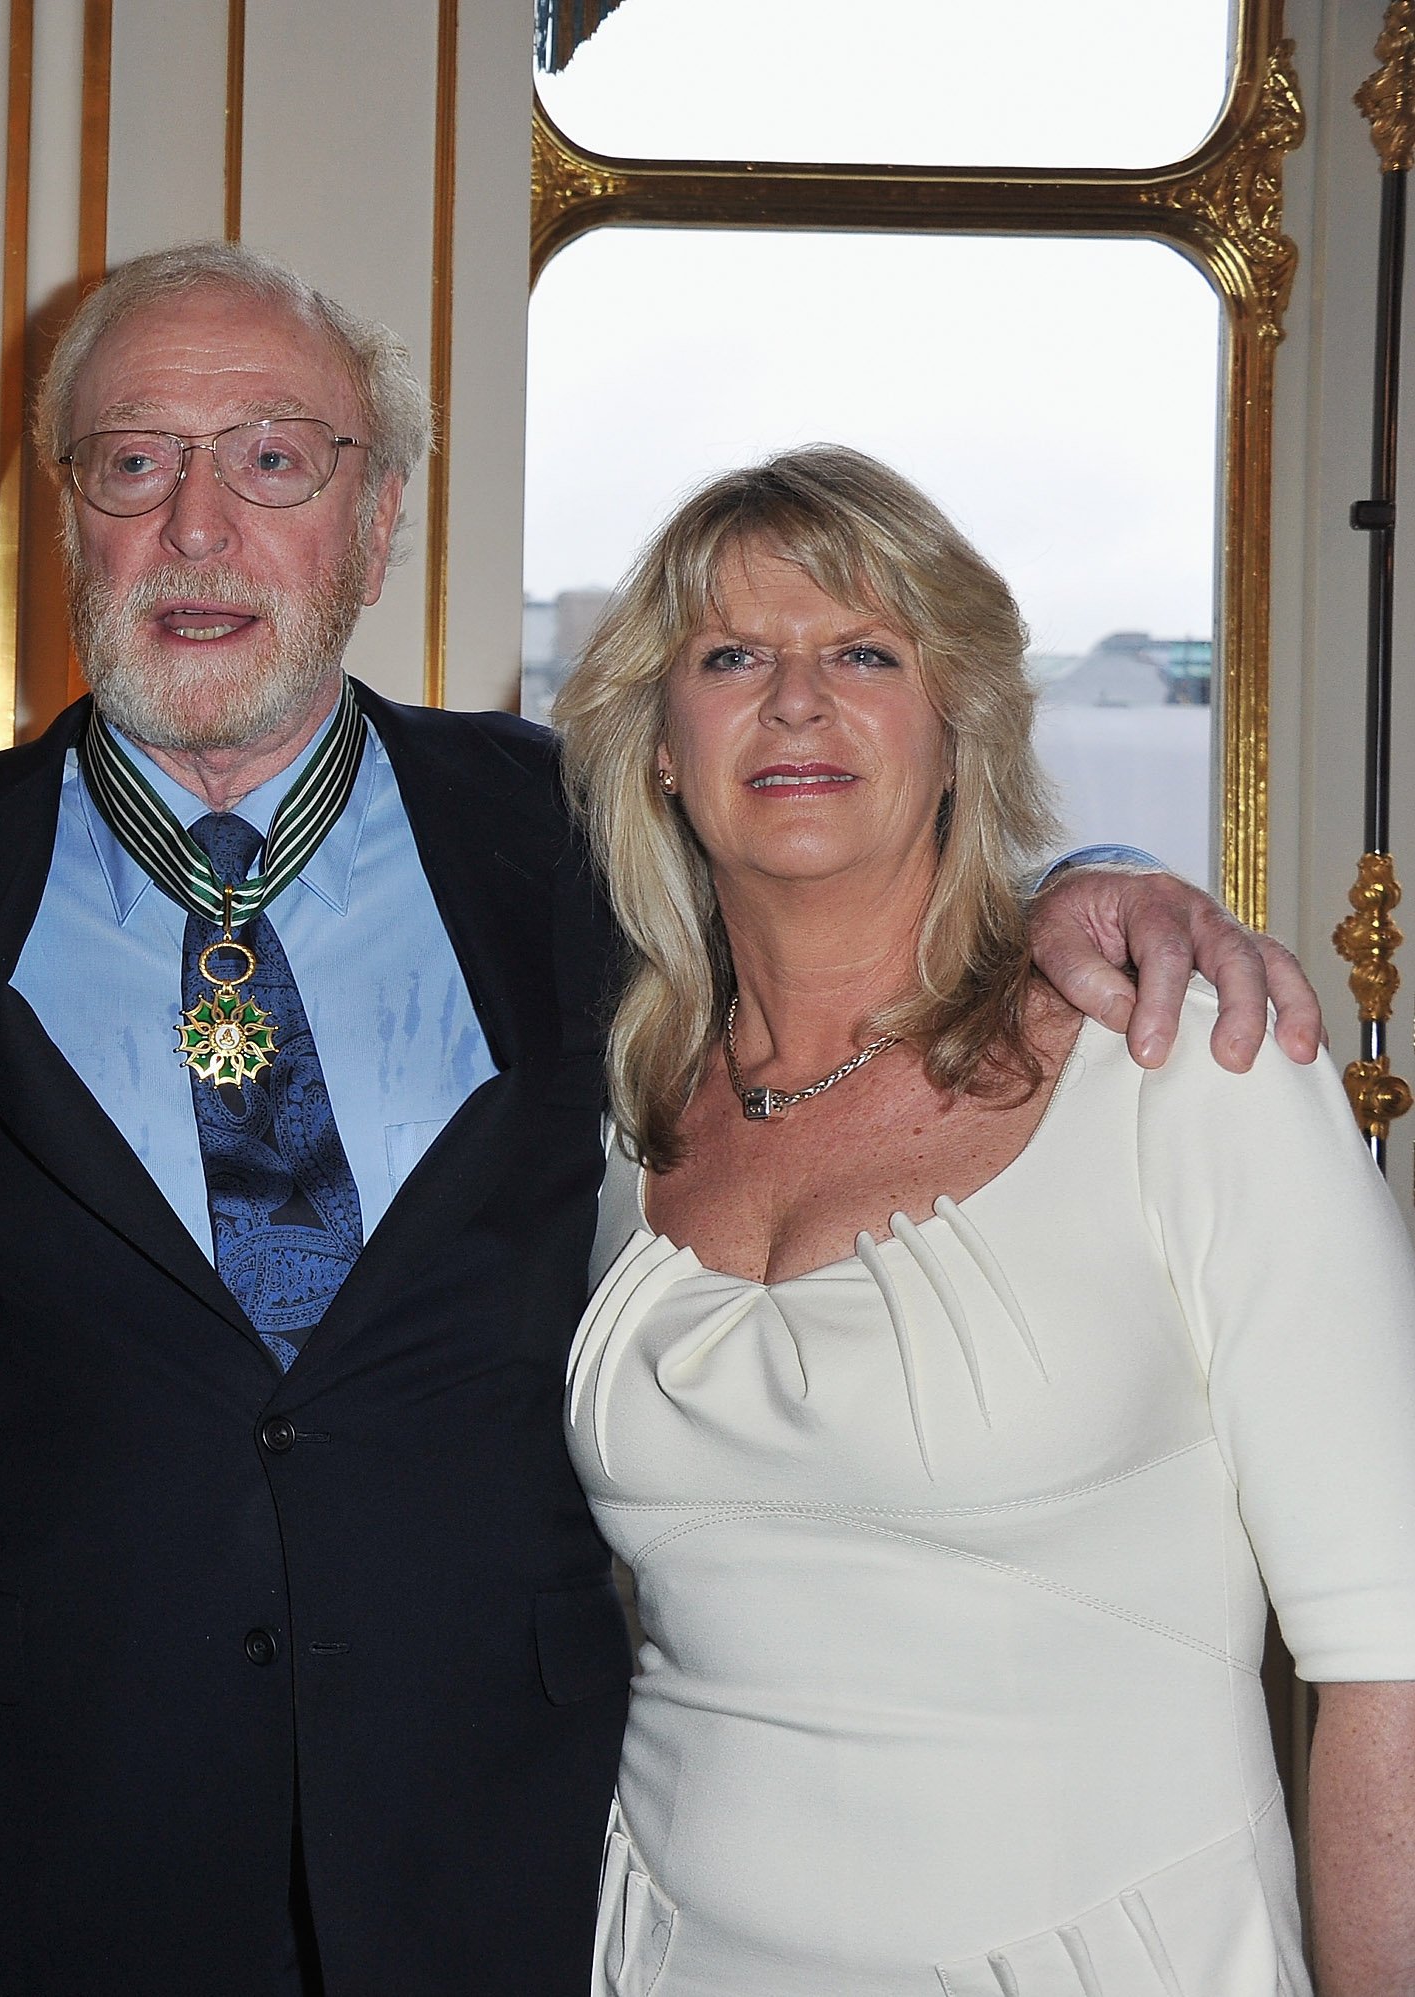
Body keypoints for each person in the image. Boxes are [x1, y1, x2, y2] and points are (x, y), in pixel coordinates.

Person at [0, 243, 1321, 1995]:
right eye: (134, 466)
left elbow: (865, 876)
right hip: (39, 1864)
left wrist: (1099, 879)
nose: (196, 531)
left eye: (274, 464)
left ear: (380, 516)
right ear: (65, 517)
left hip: (511, 1863)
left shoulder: (580, 842)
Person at [553, 447, 1415, 1995]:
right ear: (661, 746)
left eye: (866, 653)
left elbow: (1393, 1656)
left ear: (958, 729)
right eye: (733, 655)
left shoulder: (1185, 1063)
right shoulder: (619, 1106)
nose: (797, 700)